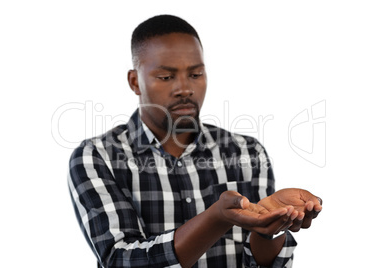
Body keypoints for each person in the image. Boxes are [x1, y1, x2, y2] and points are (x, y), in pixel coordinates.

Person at [68, 14, 322, 268]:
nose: (185, 89)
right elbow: (119, 260)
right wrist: (216, 218)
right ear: (135, 81)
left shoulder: (247, 151)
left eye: (196, 74)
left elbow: (262, 263)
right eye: (166, 77)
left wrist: (270, 227)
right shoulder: (98, 156)